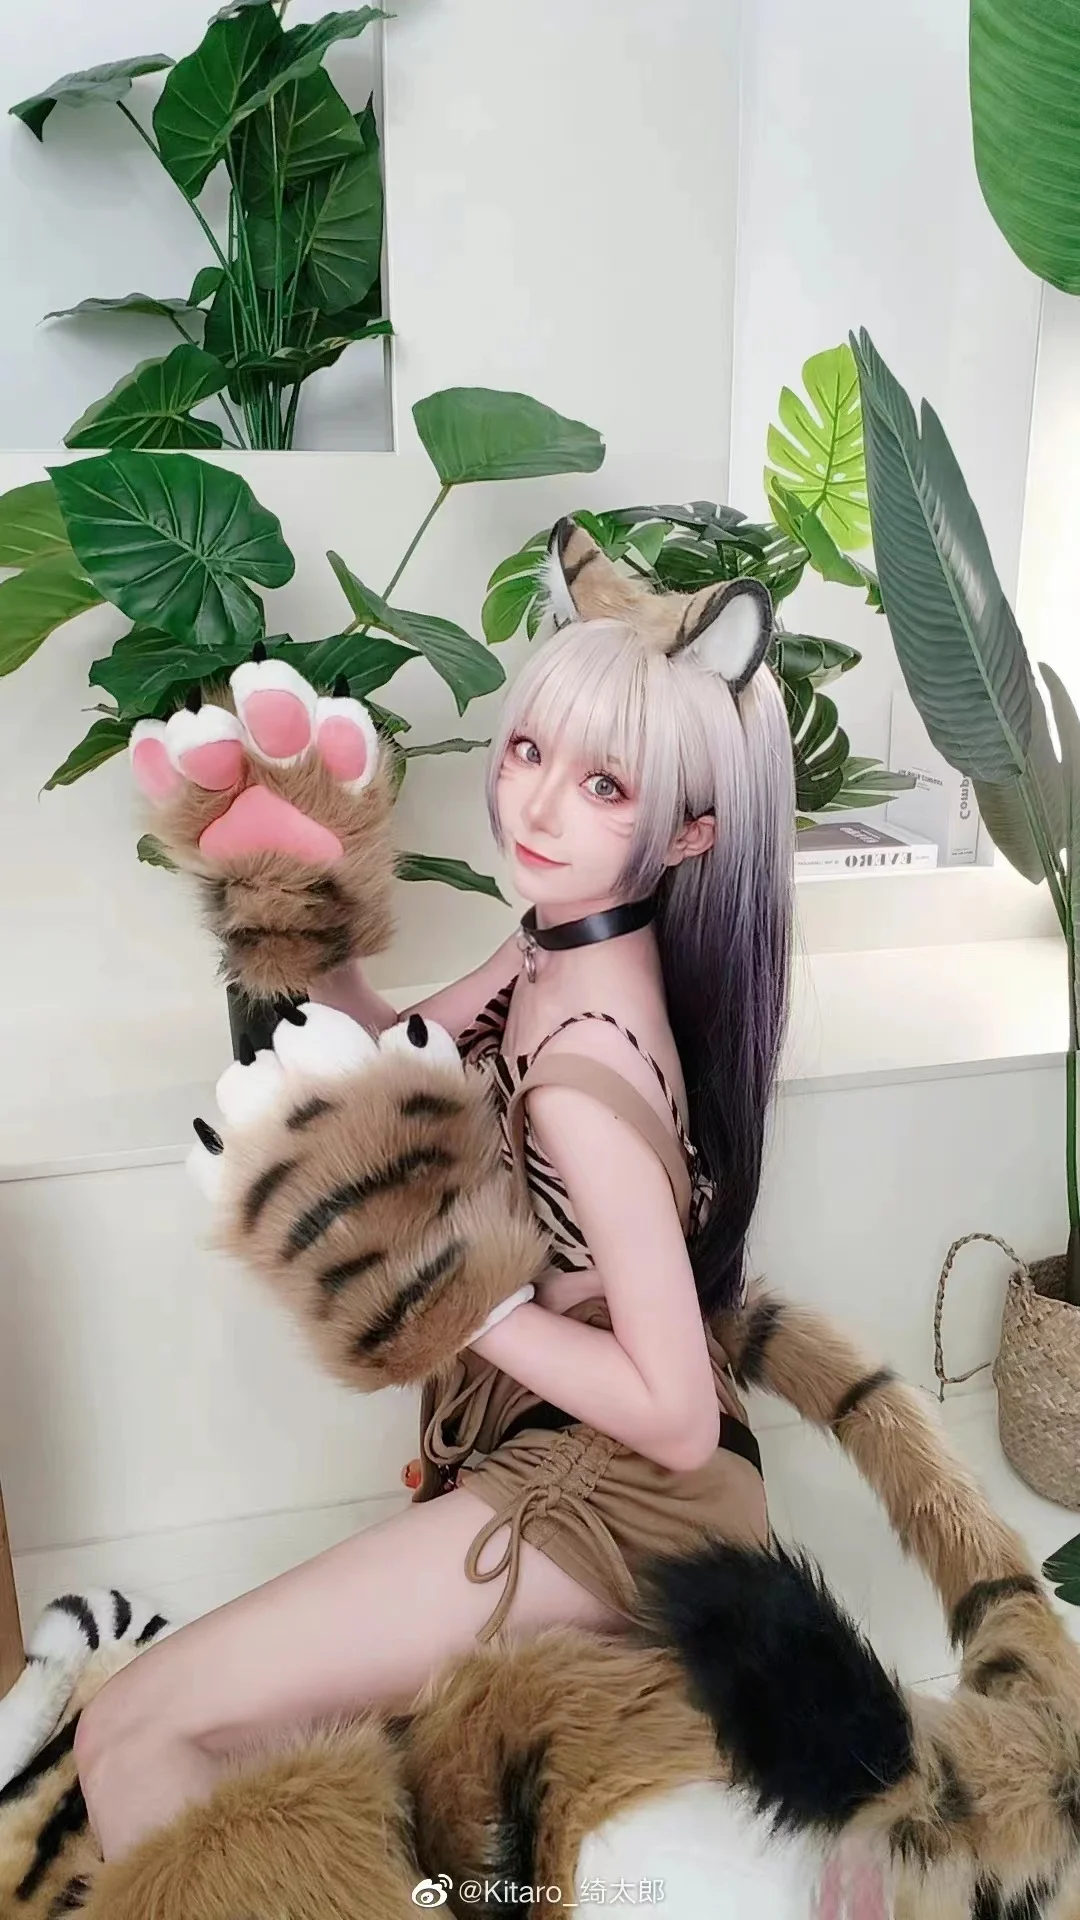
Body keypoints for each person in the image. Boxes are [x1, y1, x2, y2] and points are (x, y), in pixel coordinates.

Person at [74, 517, 796, 1865]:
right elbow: (398, 1050)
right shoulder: (554, 952)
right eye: (530, 752)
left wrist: (454, 1293)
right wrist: (298, 909)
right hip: (565, 1449)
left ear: (693, 831)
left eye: (603, 784)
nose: (535, 805)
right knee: (148, 1736)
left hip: (629, 1501)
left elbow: (676, 1414)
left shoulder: (583, 1071)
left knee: (135, 1737)